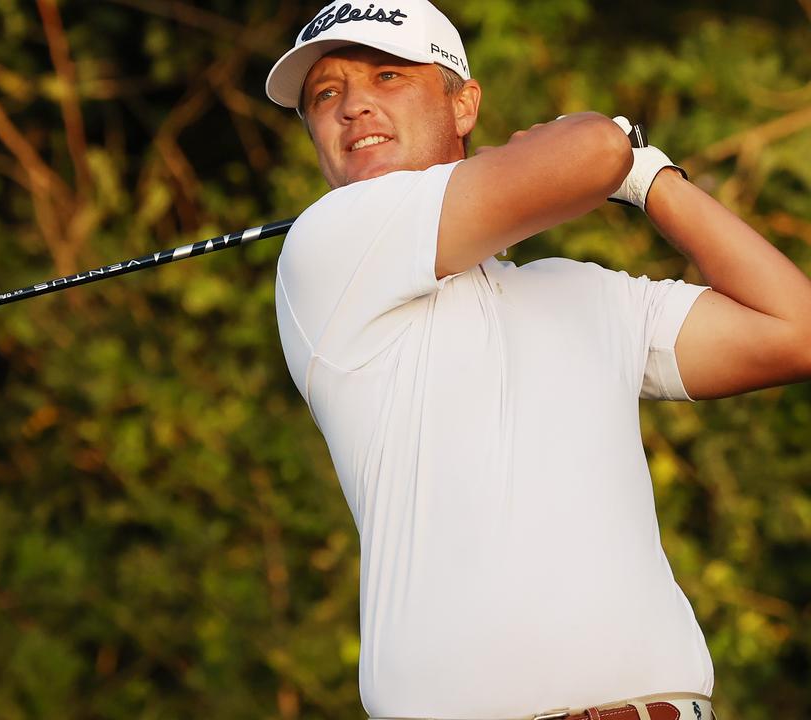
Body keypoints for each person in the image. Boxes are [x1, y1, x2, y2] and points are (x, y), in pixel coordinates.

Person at [264, 2, 811, 719]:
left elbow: (794, 330)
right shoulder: (326, 246)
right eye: (325, 94)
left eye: (388, 74)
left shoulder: (583, 292)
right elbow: (589, 152)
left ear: (464, 104)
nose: (353, 103)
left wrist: (650, 178)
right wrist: (608, 151)